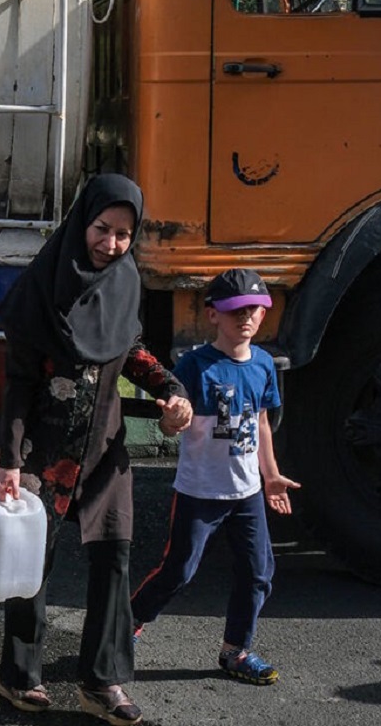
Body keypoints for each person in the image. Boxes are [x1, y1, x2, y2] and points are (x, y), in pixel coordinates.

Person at [0, 173, 193, 726]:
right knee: (31, 566)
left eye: (124, 234)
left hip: (104, 447)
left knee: (113, 558)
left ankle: (102, 682)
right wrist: (10, 461)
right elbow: (18, 384)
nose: (112, 244)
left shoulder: (124, 281)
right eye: (102, 229)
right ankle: (19, 676)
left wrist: (170, 390)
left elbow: (131, 349)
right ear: (81, 222)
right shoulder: (39, 291)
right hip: (41, 448)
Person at [130, 268, 301, 686]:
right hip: (200, 491)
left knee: (259, 572)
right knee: (179, 571)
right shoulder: (194, 366)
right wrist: (172, 420)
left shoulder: (262, 364)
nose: (246, 318)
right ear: (213, 315)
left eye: (255, 310)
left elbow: (261, 422)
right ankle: (125, 625)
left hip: (247, 494)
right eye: (235, 310)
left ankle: (235, 650)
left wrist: (272, 475)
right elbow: (172, 424)